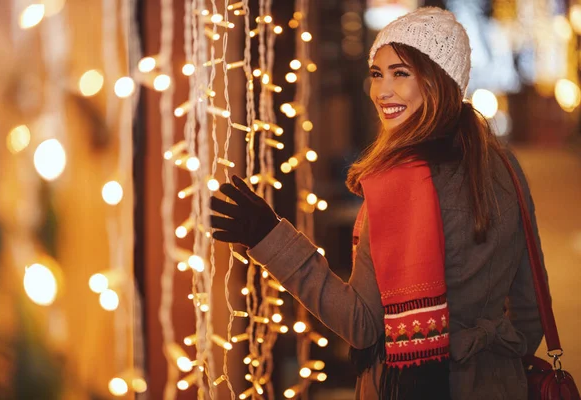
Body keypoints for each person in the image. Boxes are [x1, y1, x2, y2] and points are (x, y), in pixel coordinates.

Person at [210, 7, 546, 400]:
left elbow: (361, 324)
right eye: (376, 73)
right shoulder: (503, 164)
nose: (381, 91)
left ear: (439, 81)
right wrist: (497, 363)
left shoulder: (400, 182)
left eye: (400, 73)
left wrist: (270, 238)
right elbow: (531, 305)